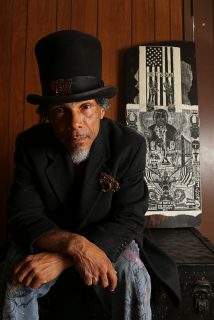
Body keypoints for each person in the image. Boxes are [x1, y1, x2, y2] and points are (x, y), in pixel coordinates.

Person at [0, 30, 181, 320]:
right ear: (47, 116)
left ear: (101, 110)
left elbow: (130, 216)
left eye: (85, 108)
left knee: (133, 272)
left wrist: (65, 259)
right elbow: (24, 215)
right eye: (61, 111)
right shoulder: (30, 145)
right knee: (17, 277)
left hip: (108, 239)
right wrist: (75, 246)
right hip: (49, 238)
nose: (75, 124)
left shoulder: (129, 145)